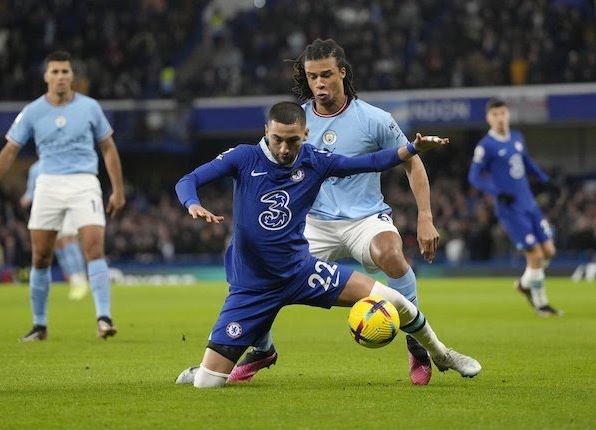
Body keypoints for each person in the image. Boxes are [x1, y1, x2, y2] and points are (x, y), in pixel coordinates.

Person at [174, 101, 481, 388]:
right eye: (277, 139)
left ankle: (441, 354)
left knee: (394, 299)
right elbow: (188, 180)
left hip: (301, 271)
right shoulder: (244, 157)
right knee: (207, 384)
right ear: (266, 131)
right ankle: (225, 363)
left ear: (305, 135)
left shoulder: (315, 161)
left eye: (293, 140)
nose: (284, 148)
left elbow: (371, 161)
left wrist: (413, 147)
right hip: (254, 287)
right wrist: (192, 204)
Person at [230, 38, 438, 386]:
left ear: (342, 72)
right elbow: (262, 164)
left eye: (326, 74)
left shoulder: (374, 120)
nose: (319, 84)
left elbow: (411, 162)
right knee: (259, 273)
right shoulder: (297, 122)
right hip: (312, 223)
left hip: (365, 219)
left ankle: (416, 342)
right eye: (312, 77)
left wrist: (426, 216)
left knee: (390, 253)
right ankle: (262, 348)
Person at [0, 50, 126, 341]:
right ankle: (39, 325)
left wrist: (118, 190)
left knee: (94, 248)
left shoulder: (90, 107)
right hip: (48, 184)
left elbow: (108, 148)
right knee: (41, 256)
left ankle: (104, 318)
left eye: (65, 72)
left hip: (84, 182)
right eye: (55, 72)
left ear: (72, 76)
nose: (60, 77)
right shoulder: (33, 111)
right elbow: (9, 150)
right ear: (46, 76)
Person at [468, 97, 562, 317]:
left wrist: (546, 180)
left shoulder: (517, 138)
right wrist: (498, 193)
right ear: (488, 118)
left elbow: (526, 162)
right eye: (495, 115)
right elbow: (473, 177)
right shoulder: (486, 146)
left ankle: (524, 283)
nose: (500, 118)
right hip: (510, 209)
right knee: (536, 255)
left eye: (503, 113)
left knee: (549, 251)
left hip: (529, 203)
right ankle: (542, 305)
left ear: (508, 114)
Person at [20, 160, 89, 301]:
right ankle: (72, 277)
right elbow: (32, 189)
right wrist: (27, 197)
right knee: (57, 244)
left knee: (68, 239)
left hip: (65, 206)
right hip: (47, 209)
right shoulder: (36, 168)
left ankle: (80, 277)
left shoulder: (60, 162)